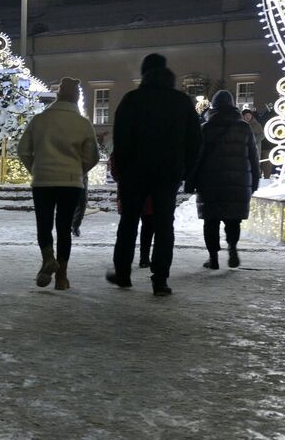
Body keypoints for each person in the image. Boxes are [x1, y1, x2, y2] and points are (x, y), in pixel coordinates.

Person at [106, 53, 202, 295]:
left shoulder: (132, 100)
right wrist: (184, 170)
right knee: (163, 225)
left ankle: (123, 273)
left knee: (129, 222)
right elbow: (195, 141)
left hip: (135, 172)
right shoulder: (182, 102)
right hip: (168, 172)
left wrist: (124, 169)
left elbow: (121, 140)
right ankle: (160, 279)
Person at [16, 77, 100, 290]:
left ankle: (47, 259)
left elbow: (23, 150)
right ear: (76, 98)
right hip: (71, 183)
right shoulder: (83, 124)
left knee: (43, 223)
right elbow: (93, 156)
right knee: (64, 227)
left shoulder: (39, 120)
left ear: (58, 95)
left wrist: (36, 168)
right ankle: (62, 277)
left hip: (43, 180)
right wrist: (78, 170)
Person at [187, 89, 260, 269]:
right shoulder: (244, 128)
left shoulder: (206, 128)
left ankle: (213, 258)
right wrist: (254, 182)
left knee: (211, 221)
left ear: (214, 106)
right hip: (238, 183)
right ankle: (233, 249)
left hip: (210, 183)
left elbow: (197, 158)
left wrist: (190, 180)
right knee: (233, 220)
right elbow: (253, 157)